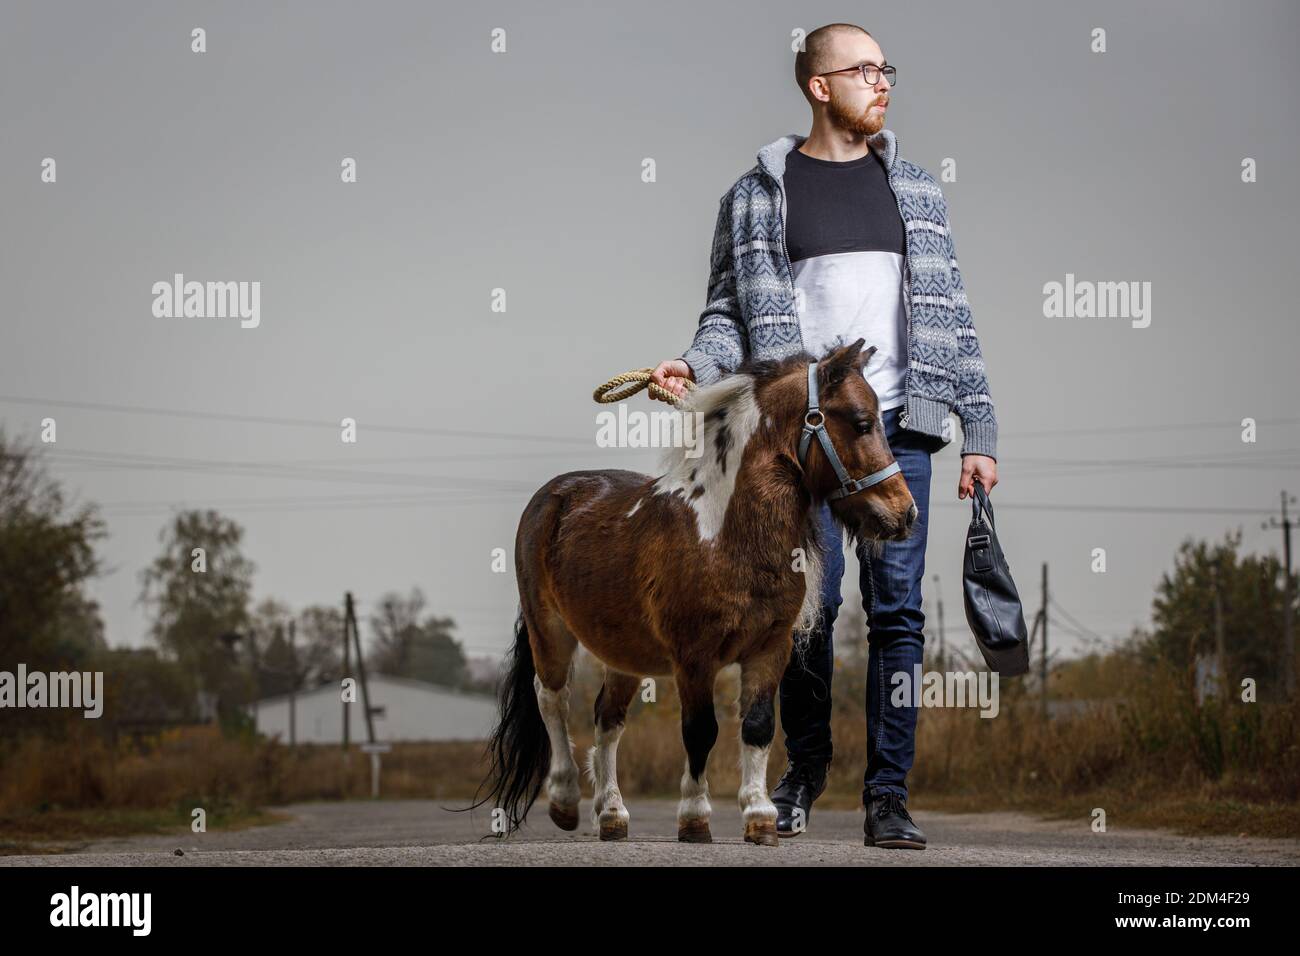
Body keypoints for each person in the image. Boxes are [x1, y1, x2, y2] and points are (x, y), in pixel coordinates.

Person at [649, 23, 1000, 850]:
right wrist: (690, 366)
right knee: (802, 610)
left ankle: (888, 798)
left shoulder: (914, 190)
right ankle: (804, 773)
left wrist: (977, 426)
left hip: (899, 431)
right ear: (818, 85)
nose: (883, 82)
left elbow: (952, 318)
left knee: (900, 618)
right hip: (800, 448)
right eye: (865, 69)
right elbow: (724, 316)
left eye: (886, 69)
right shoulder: (753, 197)